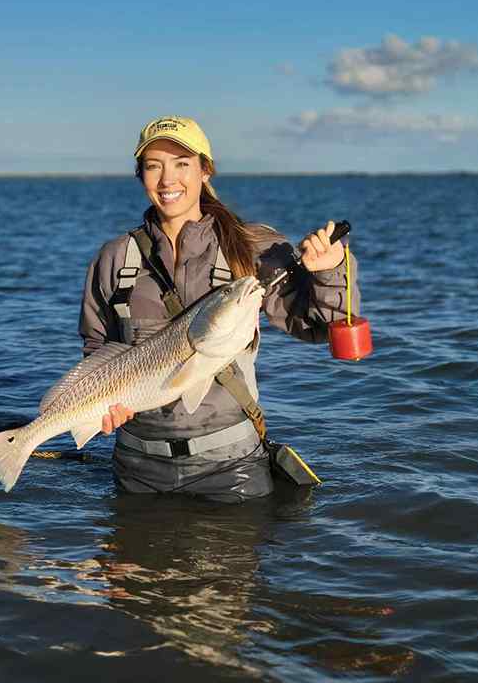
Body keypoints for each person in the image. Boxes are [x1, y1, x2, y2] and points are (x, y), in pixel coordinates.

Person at [78, 116, 359, 502]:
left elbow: (320, 325)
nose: (167, 179)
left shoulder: (254, 247)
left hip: (230, 465)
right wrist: (102, 410)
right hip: (136, 467)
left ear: (205, 171)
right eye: (153, 165)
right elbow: (98, 349)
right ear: (140, 174)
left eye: (182, 164)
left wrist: (329, 272)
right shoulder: (114, 258)